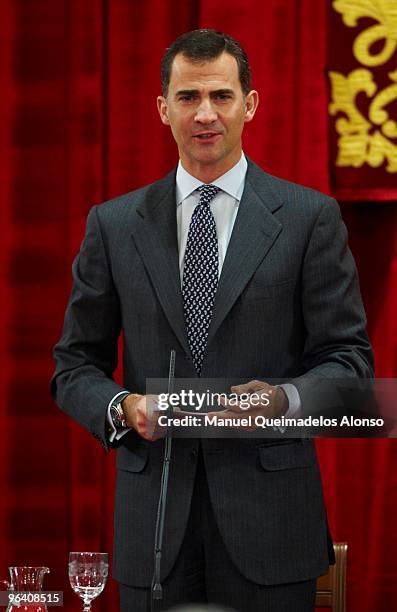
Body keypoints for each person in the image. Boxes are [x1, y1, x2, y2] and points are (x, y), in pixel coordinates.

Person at [51, 29, 374, 611]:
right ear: (162, 109)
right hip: (155, 527)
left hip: (272, 522)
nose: (205, 114)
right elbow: (74, 365)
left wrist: (283, 400)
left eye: (221, 96)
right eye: (188, 97)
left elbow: (350, 363)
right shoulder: (115, 225)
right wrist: (124, 408)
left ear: (249, 105)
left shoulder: (309, 218)